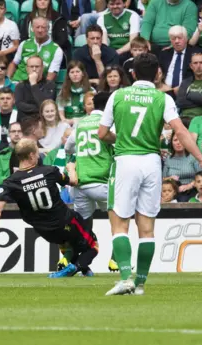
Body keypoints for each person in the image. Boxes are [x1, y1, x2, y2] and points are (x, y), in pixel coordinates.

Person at [98, 53, 202, 295]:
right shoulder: (163, 98)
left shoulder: (118, 95)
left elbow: (102, 133)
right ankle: (140, 283)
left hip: (126, 159)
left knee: (119, 224)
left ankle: (125, 277)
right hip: (151, 162)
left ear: (132, 74)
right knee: (147, 228)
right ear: (158, 73)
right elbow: (180, 131)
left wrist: (120, 138)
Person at [0, 138, 99, 278]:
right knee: (93, 246)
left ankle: (84, 270)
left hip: (45, 231)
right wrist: (71, 168)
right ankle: (75, 267)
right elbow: (73, 181)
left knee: (67, 241)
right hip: (65, 221)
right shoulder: (49, 171)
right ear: (31, 155)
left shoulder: (10, 182)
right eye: (36, 152)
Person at [63, 92, 118, 273]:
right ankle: (115, 259)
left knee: (84, 225)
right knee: (120, 219)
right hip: (102, 182)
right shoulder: (109, 124)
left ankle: (72, 261)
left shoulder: (80, 124)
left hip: (80, 184)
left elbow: (68, 147)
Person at [9, 17, 64, 83]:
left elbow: (50, 76)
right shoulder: (24, 44)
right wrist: (8, 81)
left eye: (43, 27)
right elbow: (14, 63)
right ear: (32, 29)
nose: (40, 30)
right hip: (17, 82)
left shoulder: (56, 50)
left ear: (48, 29)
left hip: (37, 85)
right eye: (37, 27)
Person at [159, 26, 202, 95]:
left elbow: (199, 74)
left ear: (186, 39)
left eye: (180, 38)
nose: (177, 41)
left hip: (186, 92)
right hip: (164, 91)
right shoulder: (164, 54)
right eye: (173, 38)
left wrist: (182, 87)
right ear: (170, 40)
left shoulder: (195, 53)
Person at [163, 132, 202, 201]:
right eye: (175, 140)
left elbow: (201, 176)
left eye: (181, 140)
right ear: (171, 143)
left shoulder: (193, 157)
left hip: (191, 190)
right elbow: (163, 179)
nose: (178, 143)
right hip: (172, 192)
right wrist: (170, 178)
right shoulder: (168, 159)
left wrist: (189, 186)